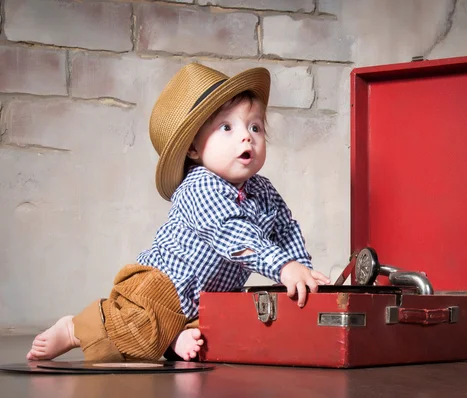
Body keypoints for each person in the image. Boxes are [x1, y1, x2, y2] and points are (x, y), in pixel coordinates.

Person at [26, 63, 330, 362]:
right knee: (137, 332)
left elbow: (285, 228)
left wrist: (301, 271)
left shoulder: (263, 190)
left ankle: (174, 339)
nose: (246, 137)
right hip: (164, 287)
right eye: (227, 127)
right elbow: (231, 232)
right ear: (194, 149)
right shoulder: (199, 187)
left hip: (207, 298)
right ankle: (75, 328)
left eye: (255, 127)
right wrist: (282, 267)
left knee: (220, 334)